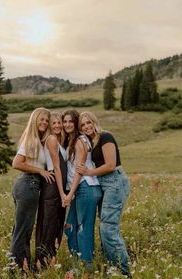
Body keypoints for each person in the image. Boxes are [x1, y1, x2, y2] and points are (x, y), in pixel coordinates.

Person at [76, 111, 132, 278]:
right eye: (83, 124)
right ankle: (112, 266)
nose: (86, 126)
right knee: (104, 227)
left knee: (108, 229)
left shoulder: (105, 137)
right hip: (104, 184)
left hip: (114, 181)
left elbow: (110, 165)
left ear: (94, 122)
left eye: (88, 122)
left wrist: (88, 172)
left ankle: (125, 271)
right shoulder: (90, 141)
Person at [10, 107, 54, 275]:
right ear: (34, 120)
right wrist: (40, 171)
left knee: (22, 229)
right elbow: (16, 163)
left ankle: (22, 267)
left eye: (46, 120)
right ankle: (18, 270)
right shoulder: (32, 139)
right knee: (22, 231)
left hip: (28, 185)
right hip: (28, 184)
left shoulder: (39, 140)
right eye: (41, 119)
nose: (44, 122)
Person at [62, 109, 102, 277]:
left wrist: (70, 194)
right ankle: (77, 262)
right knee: (69, 227)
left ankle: (86, 269)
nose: (67, 124)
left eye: (71, 121)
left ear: (75, 123)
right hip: (81, 189)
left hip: (86, 187)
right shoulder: (73, 140)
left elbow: (79, 170)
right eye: (65, 121)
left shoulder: (80, 140)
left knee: (83, 229)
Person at [35, 111, 67, 269]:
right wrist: (62, 193)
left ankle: (50, 260)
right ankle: (43, 263)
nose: (57, 125)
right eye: (53, 123)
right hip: (53, 187)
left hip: (57, 186)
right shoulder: (52, 139)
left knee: (55, 224)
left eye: (59, 122)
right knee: (48, 224)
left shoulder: (60, 140)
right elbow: (57, 168)